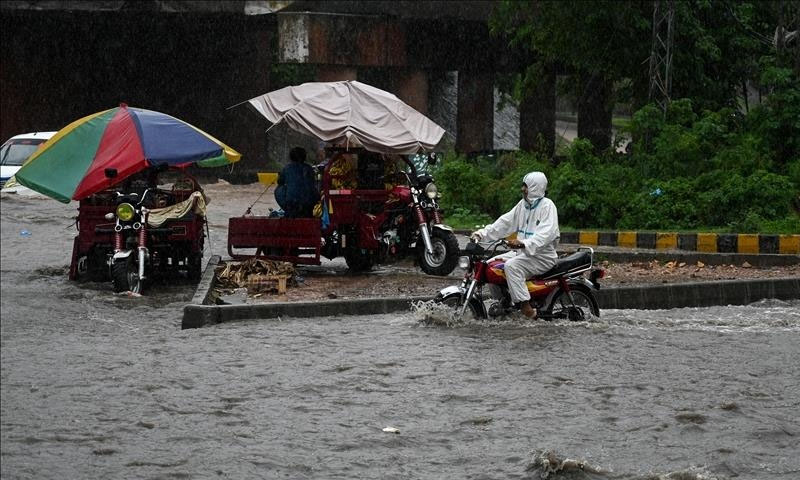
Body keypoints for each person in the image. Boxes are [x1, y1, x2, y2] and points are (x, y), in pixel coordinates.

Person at [470, 171, 560, 318]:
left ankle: (527, 308)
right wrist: (481, 234)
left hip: (543, 257)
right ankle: (504, 303)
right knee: (488, 265)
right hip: (522, 253)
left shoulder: (547, 206)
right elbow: (504, 223)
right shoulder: (523, 205)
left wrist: (523, 243)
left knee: (512, 266)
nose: (523, 189)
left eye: (526, 186)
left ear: (536, 187)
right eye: (523, 186)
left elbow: (547, 233)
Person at [275, 146, 318, 218]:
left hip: (291, 204)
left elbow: (280, 182)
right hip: (308, 204)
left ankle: (289, 210)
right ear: (304, 157)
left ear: (291, 157)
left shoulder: (287, 168)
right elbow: (312, 182)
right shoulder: (309, 168)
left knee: (278, 189)